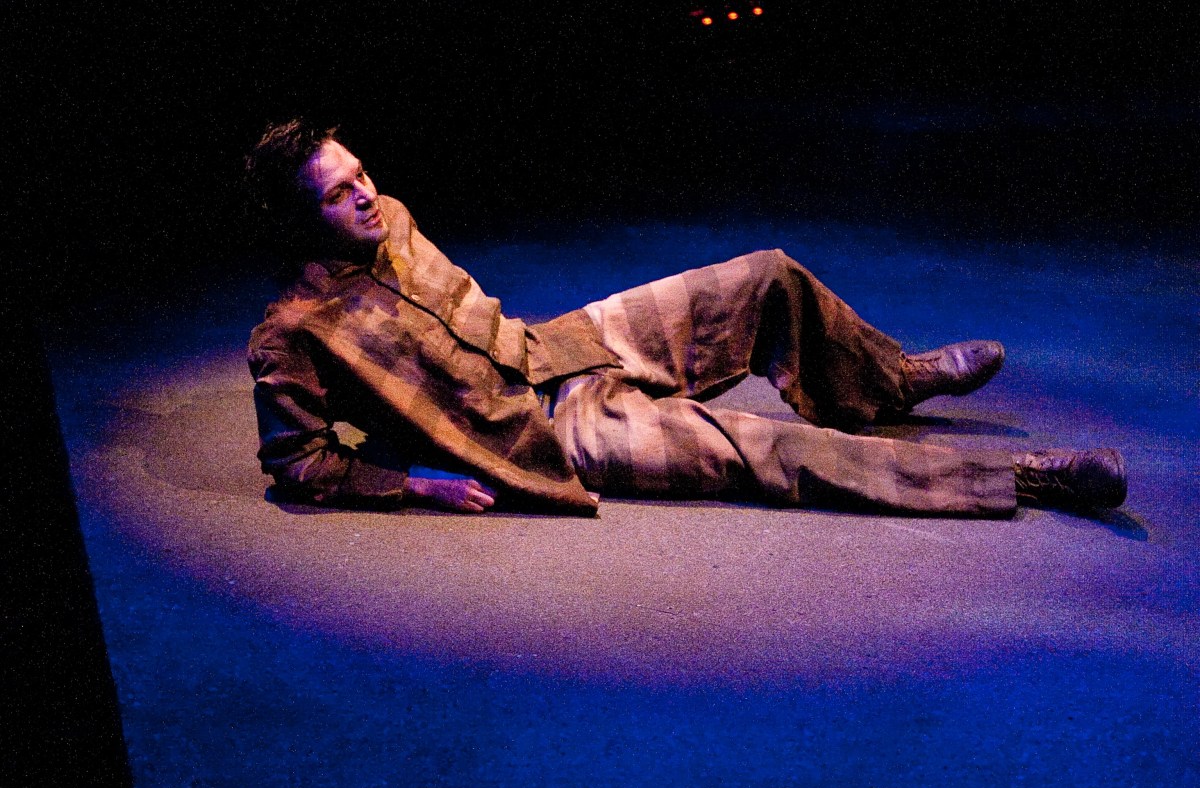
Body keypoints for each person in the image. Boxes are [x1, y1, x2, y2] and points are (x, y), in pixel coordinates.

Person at [244, 120, 1127, 517]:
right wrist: (415, 484)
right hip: (547, 434)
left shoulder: (392, 217)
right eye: (339, 193)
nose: (367, 194)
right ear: (296, 221)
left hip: (563, 344)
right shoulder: (292, 333)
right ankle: (1023, 480)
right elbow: (298, 463)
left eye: (362, 174)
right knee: (768, 449)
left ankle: (887, 379)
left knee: (765, 276)